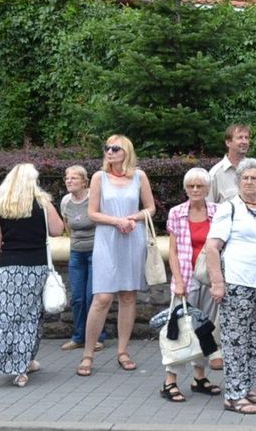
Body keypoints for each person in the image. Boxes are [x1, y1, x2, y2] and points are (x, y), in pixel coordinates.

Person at [204, 159, 256, 415]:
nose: (249, 182)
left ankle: (246, 386)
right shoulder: (229, 208)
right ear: (238, 181)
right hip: (238, 281)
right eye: (245, 178)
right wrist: (218, 282)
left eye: (254, 178)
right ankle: (233, 395)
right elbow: (212, 246)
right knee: (236, 340)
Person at [0, 163, 63, 387]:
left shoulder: (1, 206)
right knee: (30, 318)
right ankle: (23, 365)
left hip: (9, 269)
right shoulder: (42, 204)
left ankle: (6, 362)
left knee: (5, 318)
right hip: (36, 269)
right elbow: (57, 229)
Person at [76, 135, 156, 377]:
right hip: (107, 240)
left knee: (128, 295)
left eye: (115, 148)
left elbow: (150, 207)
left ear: (126, 152)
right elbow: (92, 213)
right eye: (107, 148)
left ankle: (123, 351)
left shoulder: (139, 176)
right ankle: (88, 354)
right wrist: (117, 221)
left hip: (132, 238)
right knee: (102, 297)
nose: (109, 152)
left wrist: (134, 218)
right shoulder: (99, 177)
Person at [160, 167, 222, 402]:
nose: (195, 190)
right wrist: (177, 280)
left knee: (204, 330)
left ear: (207, 189)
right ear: (185, 188)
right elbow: (173, 251)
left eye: (200, 186)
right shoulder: (177, 213)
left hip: (209, 278)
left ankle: (199, 377)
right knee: (178, 330)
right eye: (191, 186)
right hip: (185, 278)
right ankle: (170, 381)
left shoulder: (217, 212)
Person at [59, 165, 105, 352]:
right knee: (77, 297)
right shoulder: (65, 201)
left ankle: (97, 337)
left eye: (74, 178)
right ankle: (78, 337)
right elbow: (67, 227)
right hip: (76, 253)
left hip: (96, 252)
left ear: (84, 181)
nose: (69, 181)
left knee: (91, 297)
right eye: (67, 178)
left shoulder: (94, 198)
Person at [208, 124, 252, 203]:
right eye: (240, 138)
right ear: (228, 143)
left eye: (247, 138)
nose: (245, 141)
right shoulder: (215, 175)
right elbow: (208, 209)